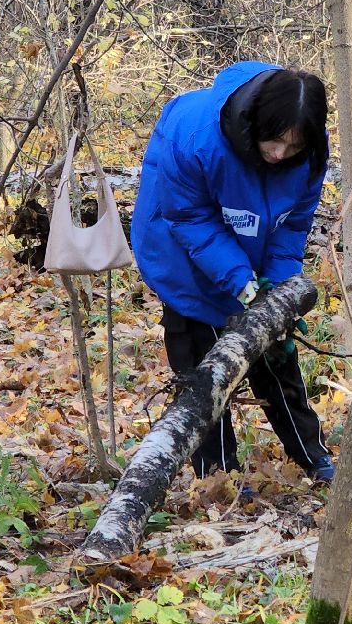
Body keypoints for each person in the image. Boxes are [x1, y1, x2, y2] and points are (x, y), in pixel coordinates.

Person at [130, 62, 335, 482]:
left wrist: (276, 293)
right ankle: (219, 475)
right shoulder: (196, 136)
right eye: (275, 141)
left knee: (276, 359)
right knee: (205, 371)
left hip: (253, 246)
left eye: (292, 147)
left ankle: (315, 459)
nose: (280, 154)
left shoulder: (309, 151)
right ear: (257, 121)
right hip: (182, 254)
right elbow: (187, 218)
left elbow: (293, 225)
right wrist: (241, 283)